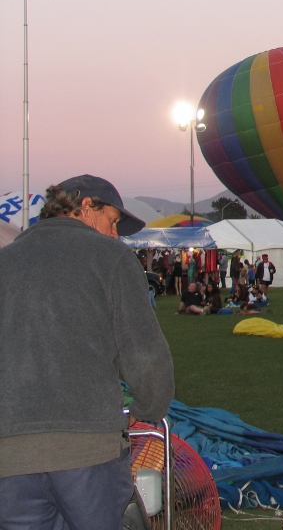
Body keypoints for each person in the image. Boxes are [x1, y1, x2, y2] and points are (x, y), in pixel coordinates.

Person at [0, 175, 174, 526]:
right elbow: (145, 354)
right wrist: (147, 407)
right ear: (86, 206)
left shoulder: (6, 260)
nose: (115, 234)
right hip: (88, 452)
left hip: (11, 458)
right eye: (112, 221)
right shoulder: (111, 258)